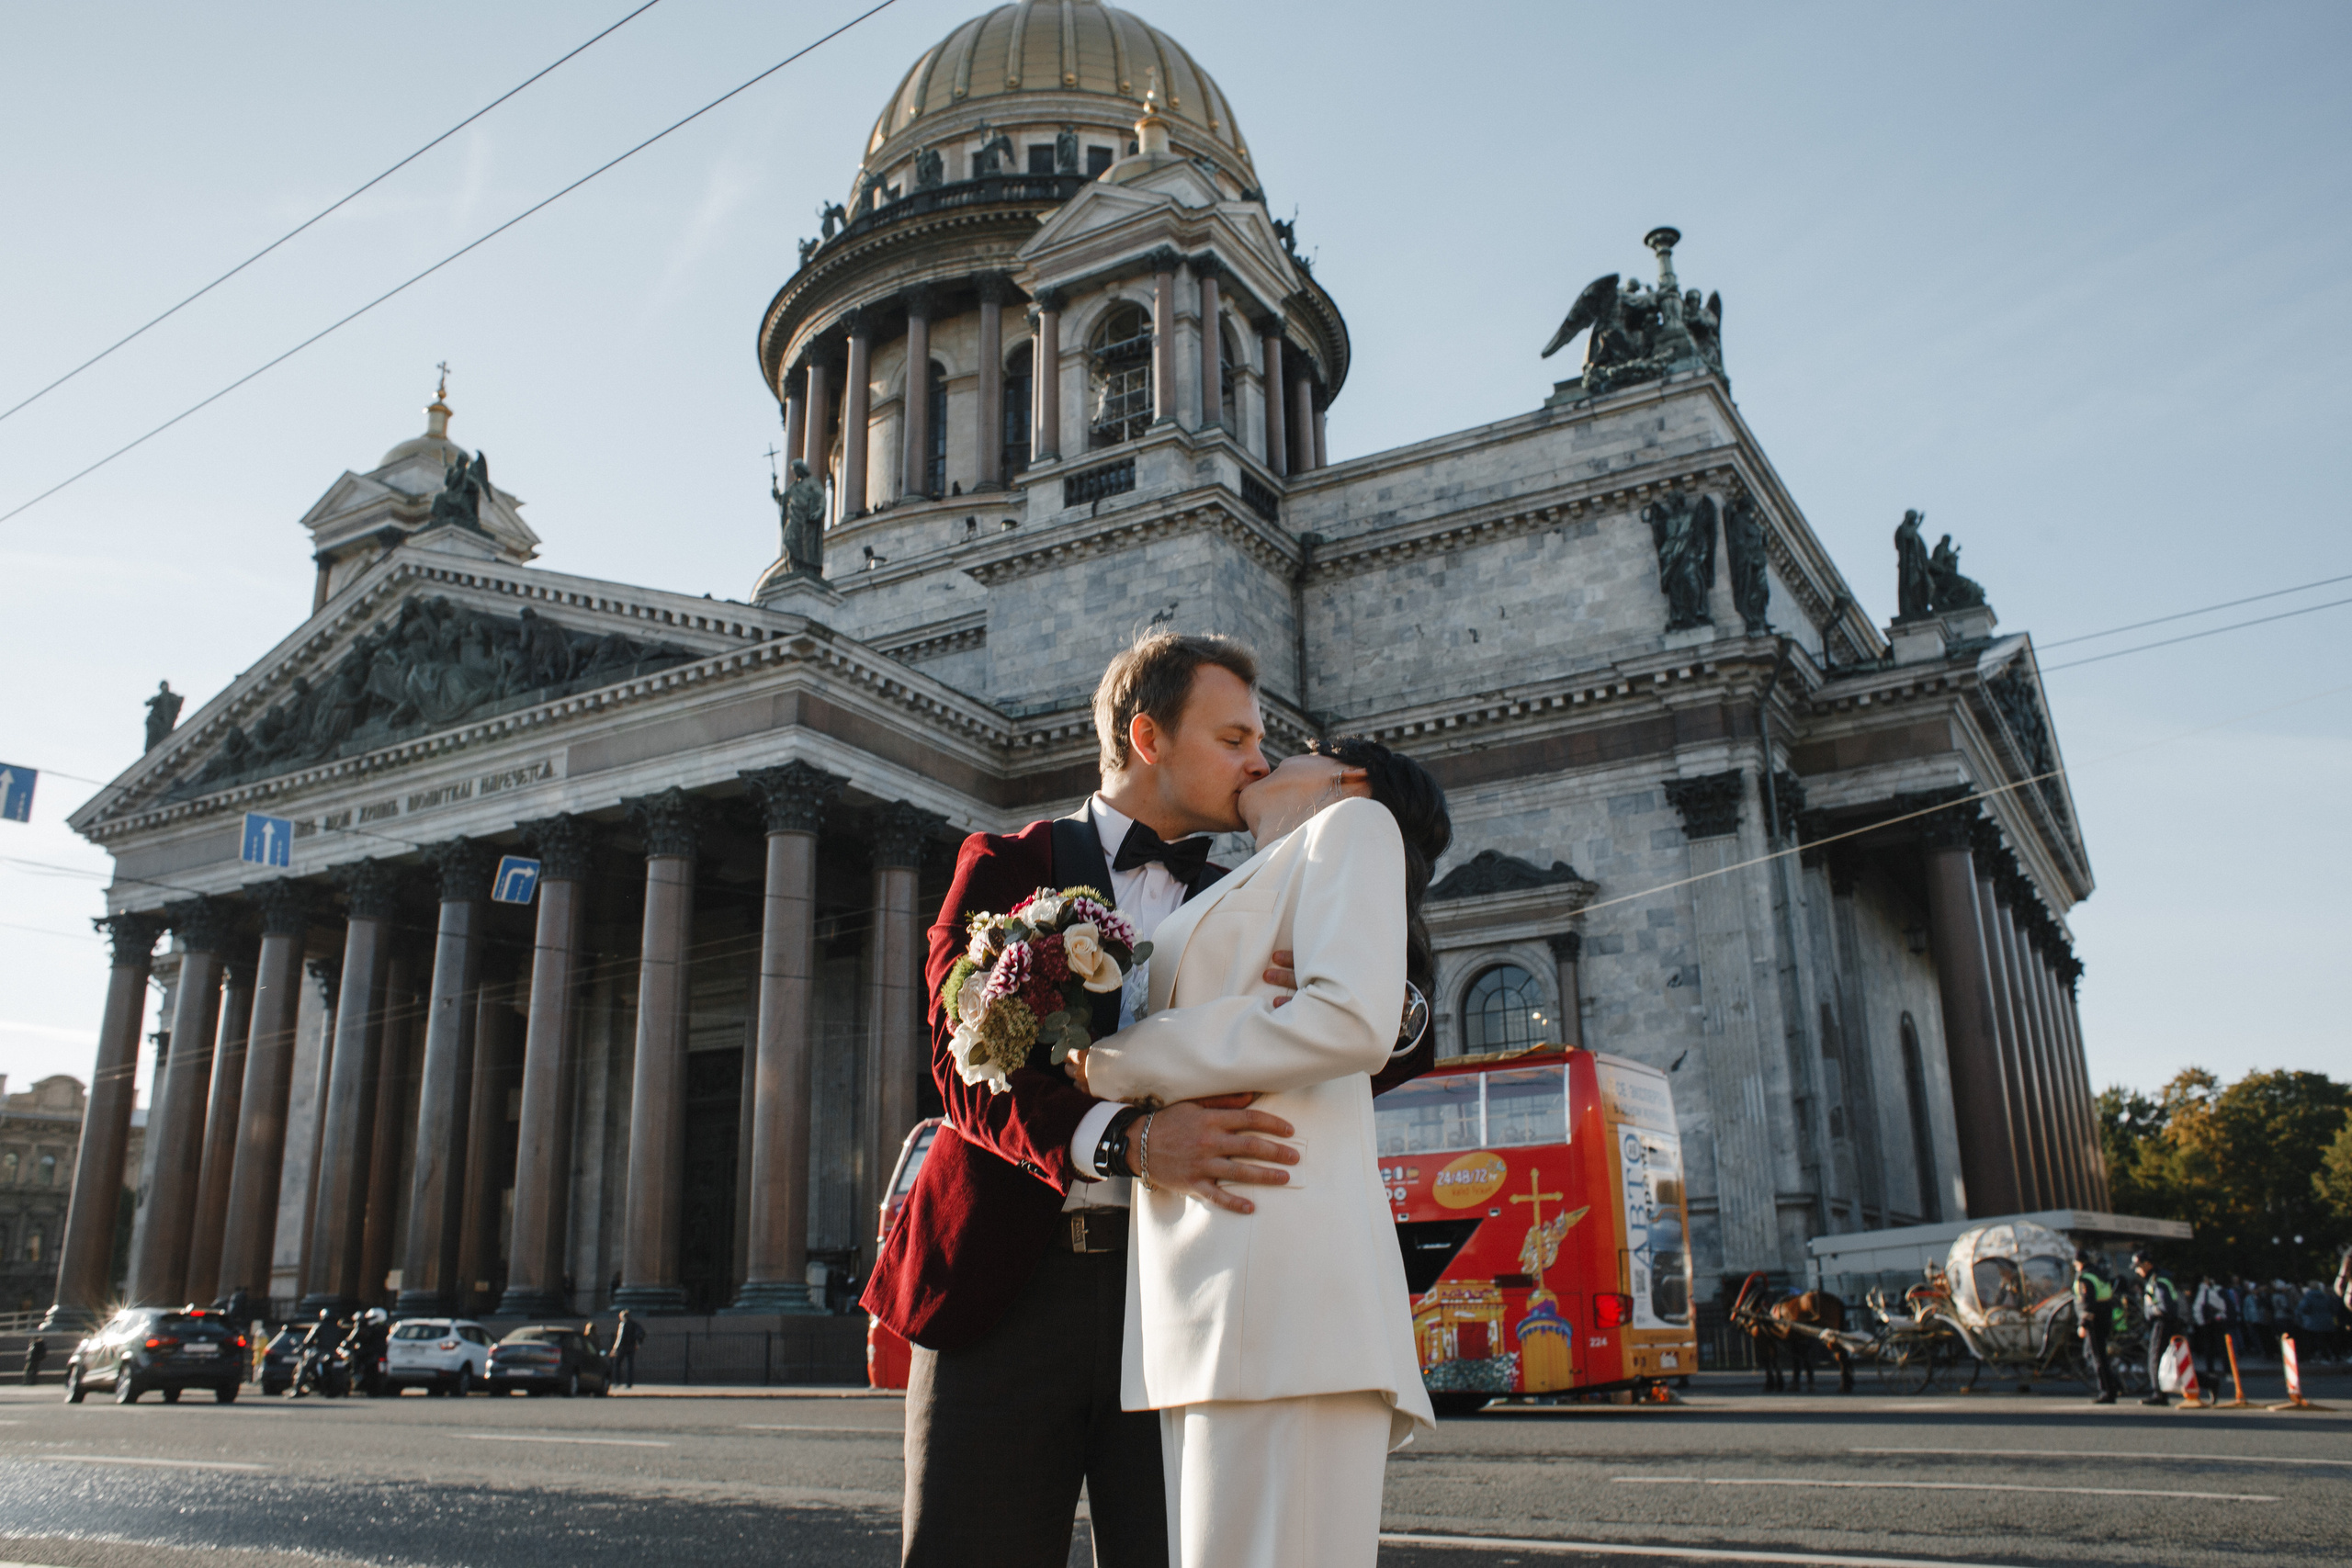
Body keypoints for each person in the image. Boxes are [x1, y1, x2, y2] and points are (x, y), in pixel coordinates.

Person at [865, 634, 1430, 1568]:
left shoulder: (1260, 885)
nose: (1259, 763)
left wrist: (1376, 993)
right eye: (1235, 739)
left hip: (1183, 1292)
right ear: (1148, 737)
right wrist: (1126, 1142)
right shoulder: (1005, 862)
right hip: (1006, 1291)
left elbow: (1375, 1040)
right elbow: (964, 1071)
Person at [1076, 736, 1451, 1568]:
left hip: (1283, 1299)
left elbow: (1351, 1020)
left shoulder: (1353, 824)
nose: (1261, 760)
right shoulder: (1265, 872)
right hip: (1212, 1299)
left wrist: (1123, 1061)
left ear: (1350, 777)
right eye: (1238, 740)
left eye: (1295, 749)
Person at [2133, 1252, 2186, 1405]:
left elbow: (2165, 1307)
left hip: (2162, 1323)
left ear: (2147, 1264)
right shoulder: (2159, 1278)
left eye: (2138, 1267)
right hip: (2168, 1322)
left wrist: (2152, 1309)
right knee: (2175, 1361)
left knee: (2155, 1357)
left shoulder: (2158, 1280)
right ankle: (2209, 1382)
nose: (2137, 1271)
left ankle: (2159, 1394)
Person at [2073, 1249, 2121, 1404]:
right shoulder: (2098, 1274)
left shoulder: (2085, 1278)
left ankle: (2107, 1390)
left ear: (2078, 1263)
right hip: (2105, 1315)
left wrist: (2083, 1324)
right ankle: (2113, 1385)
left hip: (2094, 1319)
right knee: (2095, 1354)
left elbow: (2088, 1302)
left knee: (2097, 1357)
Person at [2191, 1273, 2232, 1382]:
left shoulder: (2200, 1292)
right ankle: (2227, 1372)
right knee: (2222, 1348)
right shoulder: (2212, 1290)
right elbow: (2223, 1306)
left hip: (2206, 1323)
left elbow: (2196, 1308)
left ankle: (2211, 1372)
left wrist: (2201, 1322)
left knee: (2209, 1348)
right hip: (2216, 1322)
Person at [612, 1309, 644, 1388]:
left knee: (617, 1363)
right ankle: (629, 1383)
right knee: (630, 1365)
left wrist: (615, 1348)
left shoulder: (623, 1324)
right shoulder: (634, 1324)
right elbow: (642, 1332)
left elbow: (620, 1338)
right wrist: (638, 1343)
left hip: (623, 1347)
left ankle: (617, 1381)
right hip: (631, 1347)